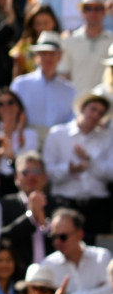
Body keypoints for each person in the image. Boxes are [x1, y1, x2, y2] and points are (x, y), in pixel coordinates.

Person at [42, 93, 113, 239]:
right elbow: (47, 173)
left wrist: (90, 161)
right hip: (65, 203)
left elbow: (110, 173)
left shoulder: (107, 138)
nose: (96, 115)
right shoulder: (58, 134)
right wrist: (69, 169)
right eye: (93, 109)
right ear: (82, 108)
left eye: (100, 113)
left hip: (97, 206)